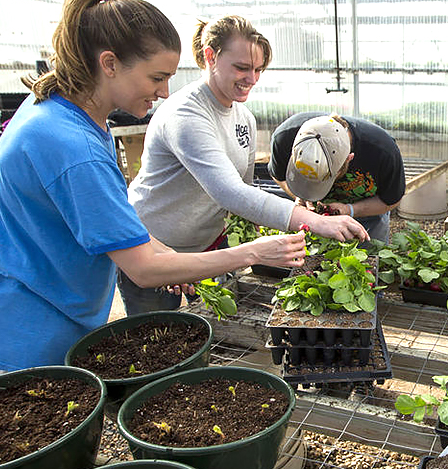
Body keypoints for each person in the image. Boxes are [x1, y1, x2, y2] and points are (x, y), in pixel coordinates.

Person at [0, 0, 308, 374]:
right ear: (109, 63)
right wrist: (255, 252)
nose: (164, 92)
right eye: (156, 77)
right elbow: (142, 269)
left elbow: (117, 227)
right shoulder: (73, 147)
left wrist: (175, 260)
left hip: (50, 306)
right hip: (33, 322)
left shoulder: (69, 115)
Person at [122, 16, 366, 314]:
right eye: (241, 68)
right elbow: (229, 192)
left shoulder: (244, 118)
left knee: (216, 331)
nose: (251, 78)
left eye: (258, 69)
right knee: (158, 340)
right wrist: (314, 221)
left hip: (209, 246)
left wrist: (287, 220)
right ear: (211, 56)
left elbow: (245, 189)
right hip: (154, 248)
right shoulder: (186, 115)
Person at [268, 112, 405, 243]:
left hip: (366, 215)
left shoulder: (383, 151)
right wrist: (300, 196)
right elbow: (278, 175)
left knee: (365, 258)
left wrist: (350, 210)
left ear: (349, 159)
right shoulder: (283, 138)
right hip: (313, 217)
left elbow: (391, 200)